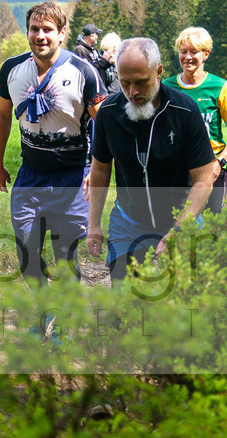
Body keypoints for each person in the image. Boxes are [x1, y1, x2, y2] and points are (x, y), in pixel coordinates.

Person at [0, 1, 106, 286]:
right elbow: (2, 115)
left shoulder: (84, 71)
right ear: (27, 31)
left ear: (62, 33)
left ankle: (64, 324)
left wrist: (97, 169)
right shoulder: (12, 69)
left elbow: (104, 126)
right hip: (30, 175)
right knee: (26, 255)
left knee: (65, 258)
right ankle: (43, 314)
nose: (40, 36)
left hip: (72, 177)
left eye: (47, 29)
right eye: (34, 29)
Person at [86, 38, 218, 282]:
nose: (133, 92)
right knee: (123, 303)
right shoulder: (108, 113)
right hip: (129, 221)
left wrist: (180, 228)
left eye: (141, 82)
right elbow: (101, 170)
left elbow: (203, 179)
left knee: (187, 301)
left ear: (158, 72)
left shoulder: (185, 111)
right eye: (125, 83)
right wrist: (94, 225)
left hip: (181, 217)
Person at [164, 26, 227, 211]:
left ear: (206, 54)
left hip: (212, 168)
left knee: (211, 229)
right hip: (176, 170)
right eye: (183, 52)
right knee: (176, 227)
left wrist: (221, 161)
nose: (188, 57)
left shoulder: (220, 86)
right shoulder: (166, 88)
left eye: (194, 52)